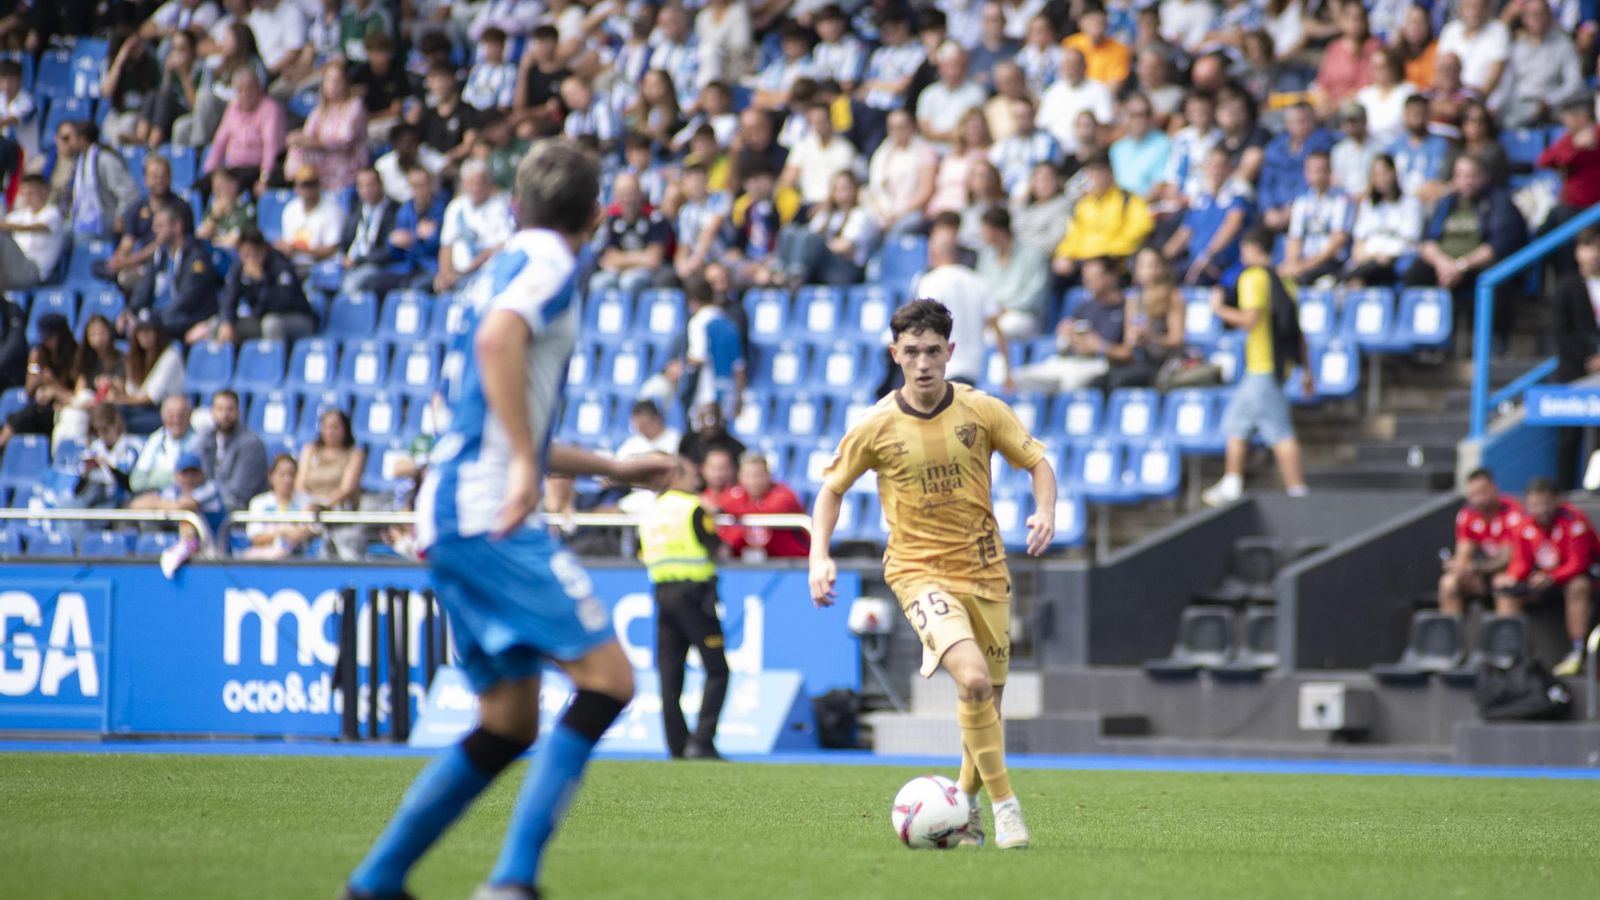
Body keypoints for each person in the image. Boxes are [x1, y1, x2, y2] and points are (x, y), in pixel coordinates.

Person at [343, 140, 673, 900]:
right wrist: (527, 466)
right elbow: (500, 351)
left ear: (516, 202)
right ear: (597, 214)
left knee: (509, 723)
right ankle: (513, 882)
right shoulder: (553, 262)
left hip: (454, 507)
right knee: (610, 680)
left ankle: (376, 881)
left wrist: (614, 469)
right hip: (487, 510)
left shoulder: (499, 265)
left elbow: (501, 413)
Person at [811, 298, 1054, 851]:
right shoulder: (876, 425)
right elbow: (831, 490)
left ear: (951, 351)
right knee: (970, 680)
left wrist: (1046, 510)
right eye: (912, 351)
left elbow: (1038, 462)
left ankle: (962, 809)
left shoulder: (982, 410)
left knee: (986, 703)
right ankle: (1006, 807)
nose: (923, 362)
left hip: (987, 570)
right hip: (918, 571)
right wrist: (818, 554)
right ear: (894, 353)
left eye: (933, 351)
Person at [1202, 228, 1312, 506]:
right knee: (1236, 424)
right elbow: (1298, 331)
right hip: (1276, 366)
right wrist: (1306, 369)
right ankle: (1233, 481)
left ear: (1251, 248)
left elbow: (1250, 320)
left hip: (1263, 365)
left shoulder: (1253, 277)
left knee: (1280, 432)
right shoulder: (1286, 281)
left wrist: (1218, 309)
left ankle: (1297, 492)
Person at [637, 456, 730, 759]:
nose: (697, 479)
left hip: (662, 593)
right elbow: (719, 549)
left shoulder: (650, 513)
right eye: (691, 474)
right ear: (677, 475)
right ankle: (702, 741)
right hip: (694, 595)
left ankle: (676, 744)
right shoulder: (694, 508)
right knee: (717, 669)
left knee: (670, 672)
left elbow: (641, 553)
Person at [1402, 154, 1526, 341]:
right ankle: (1423, 340)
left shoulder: (1499, 202)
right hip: (1445, 266)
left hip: (1476, 267)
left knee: (1495, 277)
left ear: (1484, 176)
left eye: (1471, 175)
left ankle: (1494, 342)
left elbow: (1498, 245)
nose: (1465, 181)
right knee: (1415, 273)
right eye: (1460, 175)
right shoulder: (1445, 202)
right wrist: (1443, 264)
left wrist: (1460, 266)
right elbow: (1426, 241)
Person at [1495, 478, 1594, 677]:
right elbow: (1521, 561)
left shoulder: (1574, 520)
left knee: (1578, 586)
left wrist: (1550, 577)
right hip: (1543, 582)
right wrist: (1512, 577)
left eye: (1545, 503)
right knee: (1506, 591)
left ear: (1556, 500)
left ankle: (1577, 652)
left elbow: (1578, 563)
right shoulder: (1524, 524)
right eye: (1535, 505)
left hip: (1580, 579)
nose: (1540, 510)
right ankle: (1508, 655)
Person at [1013, 256, 1134, 392]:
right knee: (1017, 378)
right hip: (1070, 362)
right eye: (1086, 277)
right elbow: (1064, 346)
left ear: (1111, 277)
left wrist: (1100, 346)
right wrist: (1065, 336)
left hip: (1100, 364)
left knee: (1070, 385)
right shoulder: (1084, 306)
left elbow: (1131, 354)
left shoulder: (1128, 307)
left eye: (1093, 277)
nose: (1087, 282)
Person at [912, 222, 1002, 387]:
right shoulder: (979, 281)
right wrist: (1007, 371)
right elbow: (996, 328)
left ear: (933, 253)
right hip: (973, 369)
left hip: (941, 367)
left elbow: (923, 324)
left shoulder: (931, 281)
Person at [126, 201, 221, 343]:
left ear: (177, 226)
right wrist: (131, 310)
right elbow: (144, 287)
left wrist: (154, 318)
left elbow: (187, 299)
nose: (154, 230)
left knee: (152, 329)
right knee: (120, 326)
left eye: (160, 225)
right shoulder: (159, 255)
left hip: (186, 317)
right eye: (154, 225)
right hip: (159, 316)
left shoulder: (196, 257)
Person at [765, 170, 877, 288]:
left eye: (845, 188)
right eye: (836, 188)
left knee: (811, 239)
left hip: (847, 269)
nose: (841, 192)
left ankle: (796, 278)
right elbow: (806, 235)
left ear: (855, 189)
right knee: (789, 231)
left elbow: (846, 246)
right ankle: (779, 273)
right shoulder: (827, 214)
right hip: (822, 266)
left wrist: (818, 245)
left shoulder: (861, 214)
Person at [1051, 153, 1152, 279]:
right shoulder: (1083, 204)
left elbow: (1141, 227)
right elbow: (1073, 235)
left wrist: (1106, 250)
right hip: (1084, 259)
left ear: (1111, 174)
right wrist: (1063, 254)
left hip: (1116, 260)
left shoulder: (1129, 199)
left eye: (1100, 173)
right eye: (1092, 174)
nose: (1096, 178)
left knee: (1096, 271)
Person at [1439, 468, 1523, 619]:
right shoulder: (1467, 515)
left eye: (1482, 492)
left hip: (1511, 573)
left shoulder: (1512, 512)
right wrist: (1458, 566)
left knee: (1501, 583)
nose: (1478, 499)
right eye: (1473, 495)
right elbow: (1463, 553)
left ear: (1494, 488)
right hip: (1482, 576)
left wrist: (1476, 567)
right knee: (1448, 583)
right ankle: (1453, 639)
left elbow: (1507, 558)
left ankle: (1504, 640)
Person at [436, 160, 513, 295]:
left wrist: (465, 271)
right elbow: (446, 245)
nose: (475, 188)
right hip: (457, 276)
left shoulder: (501, 207)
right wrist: (445, 274)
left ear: (489, 184)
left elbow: (500, 246)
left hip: (486, 273)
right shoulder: (455, 207)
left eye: (479, 183)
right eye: (470, 183)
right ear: (463, 185)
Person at [588, 171, 673, 294]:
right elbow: (607, 259)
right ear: (616, 196)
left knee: (629, 281)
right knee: (598, 282)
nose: (627, 199)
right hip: (619, 272)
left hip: (651, 274)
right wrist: (641, 257)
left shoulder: (655, 218)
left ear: (640, 194)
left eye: (631, 193)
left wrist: (622, 259)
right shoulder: (611, 221)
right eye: (622, 194)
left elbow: (654, 259)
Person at [201, 67, 283, 193]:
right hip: (233, 168)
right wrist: (210, 173)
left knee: (230, 187)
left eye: (249, 89)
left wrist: (264, 178)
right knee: (201, 188)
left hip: (256, 169)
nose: (245, 94)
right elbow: (219, 142)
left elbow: (270, 145)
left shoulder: (270, 109)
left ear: (258, 88)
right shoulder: (232, 108)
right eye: (240, 90)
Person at [0, 312, 75, 451]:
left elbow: (77, 395)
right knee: (26, 414)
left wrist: (54, 385)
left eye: (51, 337)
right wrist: (37, 374)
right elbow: (29, 390)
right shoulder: (38, 355)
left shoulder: (75, 356)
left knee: (27, 415)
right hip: (42, 408)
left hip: (65, 408)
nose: (47, 341)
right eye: (44, 337)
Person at [1344, 154, 1422, 288]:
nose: (1381, 179)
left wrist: (1385, 255)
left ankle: (1340, 278)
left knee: (1357, 277)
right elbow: (1359, 241)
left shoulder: (1410, 203)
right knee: (1357, 279)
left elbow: (1409, 240)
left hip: (1395, 259)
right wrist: (1368, 256)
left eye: (1384, 173)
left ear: (1394, 173)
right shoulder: (1368, 205)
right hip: (1370, 260)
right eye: (1376, 175)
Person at [718, 451, 808, 560]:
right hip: (742, 563)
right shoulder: (732, 496)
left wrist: (739, 514)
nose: (753, 481)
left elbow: (774, 509)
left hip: (791, 562)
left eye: (758, 476)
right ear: (740, 477)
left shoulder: (784, 495)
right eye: (748, 476)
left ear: (768, 476)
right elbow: (719, 506)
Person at [1279, 152, 1352, 286]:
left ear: (1329, 172)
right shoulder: (1301, 202)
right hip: (1305, 262)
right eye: (1311, 171)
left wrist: (1305, 265)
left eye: (1320, 171)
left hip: (1331, 262)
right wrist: (1293, 264)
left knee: (1304, 280)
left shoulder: (1341, 201)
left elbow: (1338, 241)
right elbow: (1294, 238)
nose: (1316, 176)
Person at [195, 388, 267, 511]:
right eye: (220, 409)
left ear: (239, 412)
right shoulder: (205, 439)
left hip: (237, 511)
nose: (225, 415)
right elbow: (196, 479)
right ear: (212, 412)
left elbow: (239, 493)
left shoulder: (252, 444)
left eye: (230, 409)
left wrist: (199, 499)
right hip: (208, 505)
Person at [242, 453, 319, 559]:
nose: (287, 480)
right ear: (271, 476)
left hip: (300, 557)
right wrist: (281, 532)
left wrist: (297, 534)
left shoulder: (306, 501)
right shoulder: (258, 503)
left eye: (291, 475)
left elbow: (311, 530)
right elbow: (256, 537)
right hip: (265, 557)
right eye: (282, 474)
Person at [339, 167, 401, 294]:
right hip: (349, 263)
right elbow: (345, 241)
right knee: (314, 281)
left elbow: (388, 251)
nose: (366, 190)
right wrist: (344, 257)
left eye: (370, 185)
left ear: (380, 185)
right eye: (361, 186)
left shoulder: (394, 211)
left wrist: (358, 260)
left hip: (375, 265)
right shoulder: (356, 208)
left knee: (350, 286)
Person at [0, 173, 66, 288]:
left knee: (1, 238)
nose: (27, 197)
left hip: (35, 272)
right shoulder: (21, 214)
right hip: (14, 268)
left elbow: (36, 227)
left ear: (44, 192)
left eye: (31, 193)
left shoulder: (52, 213)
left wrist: (11, 227)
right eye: (24, 193)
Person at [129, 394, 196, 496]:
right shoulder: (155, 439)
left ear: (190, 415)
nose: (176, 420)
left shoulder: (199, 440)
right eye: (171, 416)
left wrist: (155, 476)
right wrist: (169, 479)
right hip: (155, 500)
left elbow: (191, 480)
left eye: (181, 415)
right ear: (162, 416)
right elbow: (136, 482)